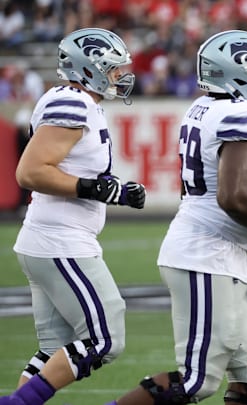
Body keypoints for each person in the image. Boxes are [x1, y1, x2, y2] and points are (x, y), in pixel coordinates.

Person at [103, 29, 247, 405]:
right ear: (236, 74)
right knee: (197, 381)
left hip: (225, 253)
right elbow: (233, 197)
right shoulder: (243, 114)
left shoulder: (203, 107)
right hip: (209, 255)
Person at [1, 28, 145, 405]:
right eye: (113, 69)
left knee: (55, 352)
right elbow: (29, 172)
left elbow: (74, 170)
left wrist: (115, 190)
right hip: (59, 240)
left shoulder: (77, 101)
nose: (120, 76)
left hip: (48, 238)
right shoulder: (73, 103)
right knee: (105, 338)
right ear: (89, 68)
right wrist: (95, 189)